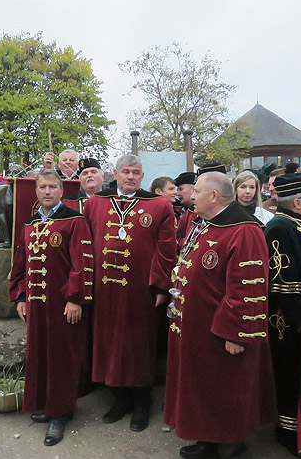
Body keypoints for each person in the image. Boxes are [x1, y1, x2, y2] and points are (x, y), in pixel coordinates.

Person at [164, 172, 275, 459]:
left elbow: (247, 287)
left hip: (223, 334)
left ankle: (231, 445)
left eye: (197, 192)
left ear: (213, 196)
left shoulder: (244, 230)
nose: (190, 196)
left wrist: (236, 332)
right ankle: (207, 439)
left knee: (226, 391)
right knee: (203, 389)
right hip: (198, 330)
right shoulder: (206, 224)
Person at [81, 154, 177, 432]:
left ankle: (141, 404)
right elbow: (85, 244)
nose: (131, 177)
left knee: (139, 346)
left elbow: (166, 249)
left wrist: (161, 285)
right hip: (103, 289)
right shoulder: (95, 203)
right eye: (126, 172)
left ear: (142, 176)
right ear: (115, 173)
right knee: (109, 344)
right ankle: (119, 400)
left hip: (140, 291)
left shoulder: (159, 205)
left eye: (136, 172)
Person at [10, 170, 94, 446]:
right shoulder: (29, 224)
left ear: (61, 191)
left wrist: (75, 299)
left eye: (52, 187)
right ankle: (46, 405)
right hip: (35, 303)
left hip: (62, 304)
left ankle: (61, 414)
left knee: (62, 357)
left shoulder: (74, 221)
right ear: (36, 192)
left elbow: (82, 263)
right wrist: (20, 297)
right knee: (40, 355)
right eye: (43, 187)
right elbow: (20, 263)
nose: (47, 192)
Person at [264, 173, 301, 455]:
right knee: (290, 374)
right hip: (287, 321)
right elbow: (282, 284)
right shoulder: (280, 227)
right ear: (298, 202)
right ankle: (288, 432)